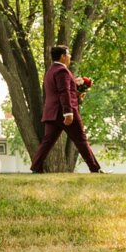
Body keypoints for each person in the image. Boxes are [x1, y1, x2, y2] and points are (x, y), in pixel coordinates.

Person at [30, 45, 104, 174]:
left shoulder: (50, 71)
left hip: (52, 113)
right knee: (81, 140)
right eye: (68, 54)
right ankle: (95, 169)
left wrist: (77, 95)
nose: (69, 57)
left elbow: (60, 92)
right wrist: (68, 113)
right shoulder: (62, 71)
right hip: (64, 113)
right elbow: (63, 92)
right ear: (63, 56)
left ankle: (36, 168)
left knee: (47, 142)